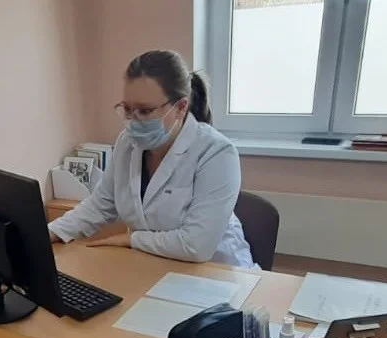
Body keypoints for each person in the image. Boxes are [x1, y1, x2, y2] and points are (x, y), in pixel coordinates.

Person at [48, 50, 256, 268]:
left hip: (217, 270)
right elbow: (100, 204)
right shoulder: (127, 143)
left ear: (181, 107)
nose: (133, 121)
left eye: (145, 111)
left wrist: (132, 239)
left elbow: (197, 245)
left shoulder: (216, 152)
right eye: (128, 109)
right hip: (155, 265)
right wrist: (51, 232)